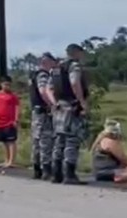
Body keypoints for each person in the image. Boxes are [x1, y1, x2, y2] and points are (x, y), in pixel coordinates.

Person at [51, 44, 89, 184]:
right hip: (72, 107)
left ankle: (56, 174)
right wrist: (81, 101)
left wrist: (54, 103)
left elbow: (50, 88)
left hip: (60, 107)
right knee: (72, 140)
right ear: (77, 53)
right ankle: (69, 174)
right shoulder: (74, 66)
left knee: (59, 141)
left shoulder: (56, 68)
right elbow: (74, 82)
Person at [28, 53, 58, 180]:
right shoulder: (43, 75)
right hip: (43, 112)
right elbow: (43, 90)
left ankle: (36, 169)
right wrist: (51, 104)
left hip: (35, 112)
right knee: (45, 140)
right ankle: (46, 169)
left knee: (36, 140)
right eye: (53, 62)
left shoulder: (33, 75)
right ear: (47, 62)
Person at [0, 75, 21, 168]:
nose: (7, 86)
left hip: (10, 122)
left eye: (9, 85)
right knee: (4, 142)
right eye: (5, 84)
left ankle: (11, 161)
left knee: (11, 141)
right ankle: (6, 160)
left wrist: (16, 119)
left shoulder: (13, 96)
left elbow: (17, 107)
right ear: (1, 84)